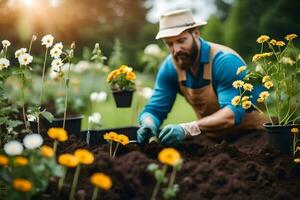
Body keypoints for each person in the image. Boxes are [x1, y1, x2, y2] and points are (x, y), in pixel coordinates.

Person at [137, 9, 267, 146]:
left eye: (181, 41)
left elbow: (232, 114)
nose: (176, 50)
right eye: (170, 44)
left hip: (253, 135)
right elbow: (154, 110)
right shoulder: (170, 67)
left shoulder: (225, 61)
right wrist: (148, 124)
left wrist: (187, 128)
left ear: (196, 34)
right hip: (214, 139)